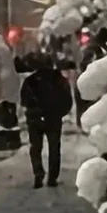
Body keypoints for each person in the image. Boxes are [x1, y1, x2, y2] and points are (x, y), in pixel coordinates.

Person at [17, 50, 73, 188]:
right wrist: (60, 113)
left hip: (35, 118)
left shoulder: (30, 81)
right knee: (54, 147)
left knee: (35, 148)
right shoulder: (59, 79)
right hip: (53, 118)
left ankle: (38, 173)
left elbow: (23, 100)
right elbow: (67, 100)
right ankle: (52, 178)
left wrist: (33, 110)